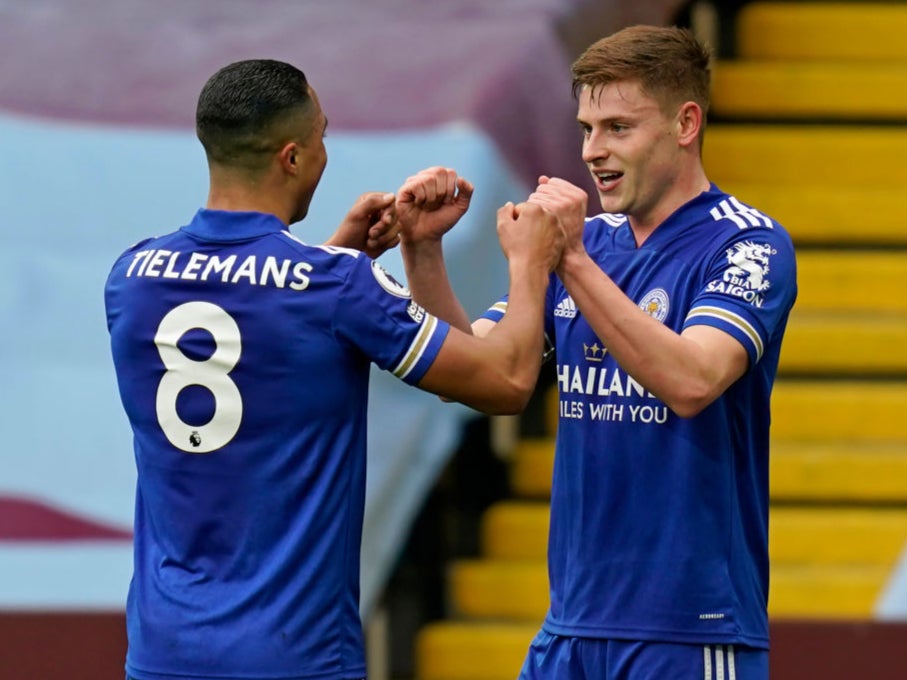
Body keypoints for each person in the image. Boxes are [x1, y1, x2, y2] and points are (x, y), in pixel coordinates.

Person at [104, 58, 563, 680]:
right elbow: (505, 382)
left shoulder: (132, 278)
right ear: (291, 157)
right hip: (293, 656)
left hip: (164, 654)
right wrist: (531, 261)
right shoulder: (337, 287)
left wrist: (340, 254)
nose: (326, 153)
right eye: (322, 136)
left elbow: (254, 333)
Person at [399, 26, 797, 680]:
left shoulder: (746, 246)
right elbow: (478, 371)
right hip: (571, 628)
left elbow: (692, 379)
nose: (592, 151)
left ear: (685, 123)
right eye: (585, 128)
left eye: (616, 127)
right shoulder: (594, 244)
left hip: (687, 632)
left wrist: (572, 259)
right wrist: (422, 252)